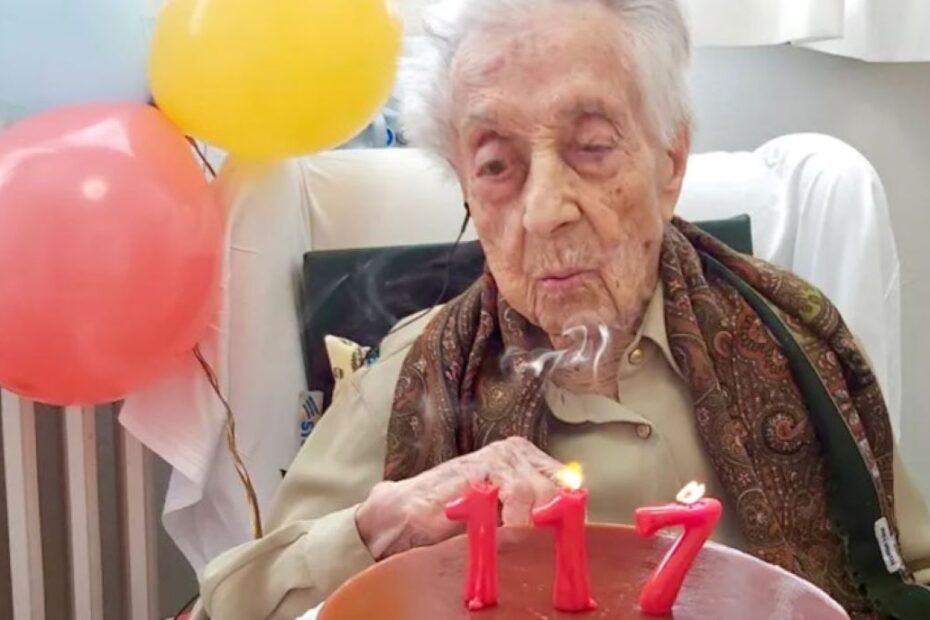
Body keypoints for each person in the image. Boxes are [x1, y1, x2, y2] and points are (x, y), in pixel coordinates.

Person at [197, 1, 930, 618]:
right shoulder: (407, 382)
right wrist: (383, 526)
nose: (545, 210)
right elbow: (227, 609)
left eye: (592, 147)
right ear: (466, 191)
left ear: (669, 163)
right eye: (496, 165)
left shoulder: (795, 346)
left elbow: (908, 574)